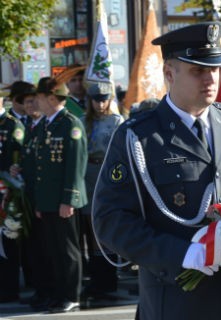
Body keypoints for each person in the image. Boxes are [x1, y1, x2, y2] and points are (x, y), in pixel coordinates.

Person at [92, 22, 221, 320]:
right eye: (198, 70)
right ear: (169, 74)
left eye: (215, 68)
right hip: (177, 300)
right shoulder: (139, 137)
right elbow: (110, 220)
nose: (211, 78)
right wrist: (181, 254)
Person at [33, 76, 89, 313]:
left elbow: (75, 166)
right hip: (47, 200)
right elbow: (40, 167)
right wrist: (40, 201)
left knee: (67, 250)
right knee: (53, 250)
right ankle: (58, 293)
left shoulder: (70, 124)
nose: (36, 101)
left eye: (39, 97)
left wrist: (69, 199)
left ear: (52, 98)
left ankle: (71, 295)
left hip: (63, 201)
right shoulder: (46, 124)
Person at [79, 82, 124, 303]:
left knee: (103, 224)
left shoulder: (116, 121)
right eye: (96, 99)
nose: (100, 103)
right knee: (89, 226)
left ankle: (108, 279)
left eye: (104, 99)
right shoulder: (83, 121)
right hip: (87, 172)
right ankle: (95, 279)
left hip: (106, 172)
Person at [16, 86, 54, 310]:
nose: (31, 106)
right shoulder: (30, 127)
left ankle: (49, 290)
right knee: (35, 248)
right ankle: (41, 290)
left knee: (47, 249)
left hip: (43, 197)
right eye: (26, 103)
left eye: (34, 101)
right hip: (30, 196)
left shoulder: (44, 127)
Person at [0, 82, 27, 304]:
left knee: (8, 238)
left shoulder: (11, 125)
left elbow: (15, 160)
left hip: (6, 192)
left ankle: (9, 289)